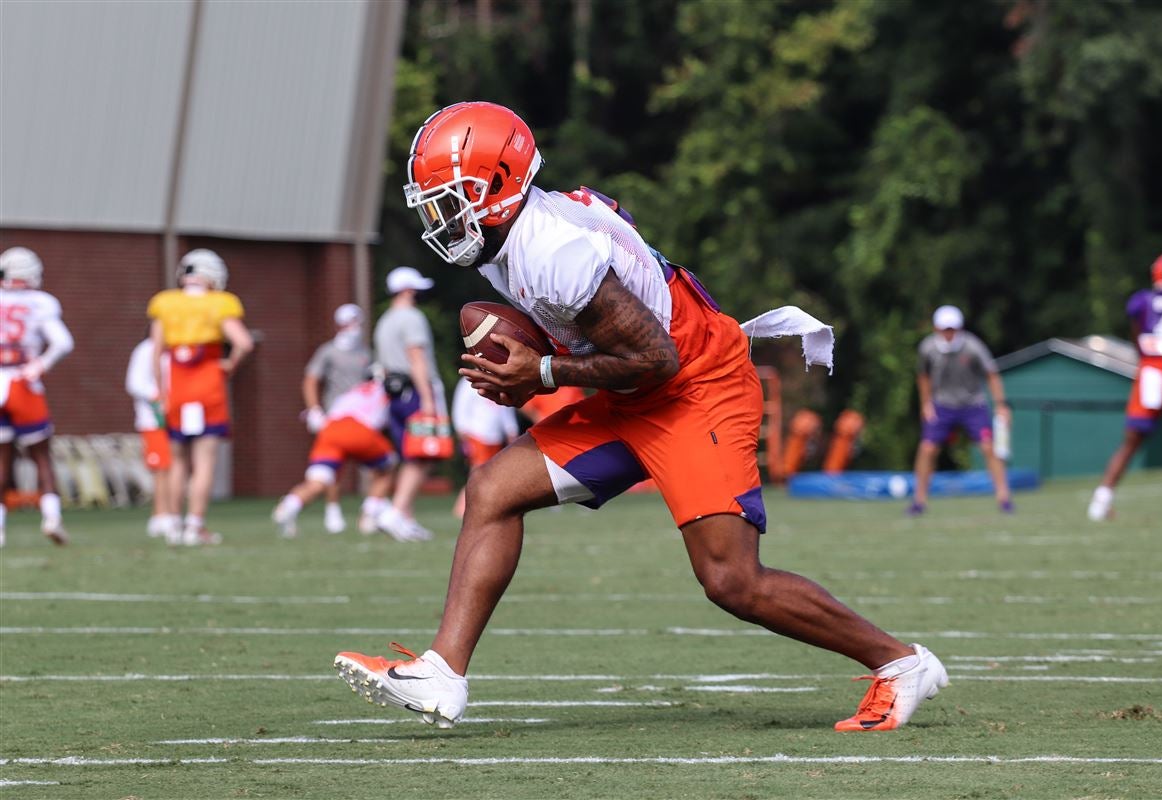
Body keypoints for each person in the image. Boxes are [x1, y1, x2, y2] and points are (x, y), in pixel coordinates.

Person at [334, 101, 947, 733]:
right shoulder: (510, 234)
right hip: (635, 390)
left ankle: (900, 664)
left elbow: (657, 357)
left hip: (694, 385)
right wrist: (550, 357)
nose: (440, 217)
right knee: (492, 489)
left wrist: (541, 372)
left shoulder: (550, 248)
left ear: (497, 186)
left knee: (730, 579)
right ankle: (444, 672)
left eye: (450, 198)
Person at [147, 248, 254, 546]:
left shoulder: (165, 303)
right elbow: (244, 342)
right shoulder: (220, 303)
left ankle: (173, 525)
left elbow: (156, 353)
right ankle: (195, 526)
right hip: (208, 387)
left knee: (177, 461)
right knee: (205, 461)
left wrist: (160, 389)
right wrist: (229, 365)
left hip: (177, 388)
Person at [1089, 251, 1162, 521]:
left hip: (1149, 369)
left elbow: (1137, 334)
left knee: (1130, 443)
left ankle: (1101, 500)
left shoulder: (1143, 300)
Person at [0, 246, 74, 547]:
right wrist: (39, 365)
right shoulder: (40, 302)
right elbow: (63, 342)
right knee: (41, 456)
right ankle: (52, 518)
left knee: (1, 461)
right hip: (23, 384)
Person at [908, 305, 1012, 516]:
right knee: (927, 448)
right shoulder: (928, 348)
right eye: (944, 329)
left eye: (952, 329)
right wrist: (926, 404)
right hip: (942, 405)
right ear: (937, 328)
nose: (948, 334)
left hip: (972, 405)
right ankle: (919, 500)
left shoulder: (972, 346)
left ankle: (1004, 498)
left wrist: (1001, 404)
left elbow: (991, 374)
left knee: (987, 447)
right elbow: (923, 376)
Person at [372, 266, 449, 542]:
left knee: (409, 455)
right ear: (407, 289)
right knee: (422, 455)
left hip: (394, 393)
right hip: (414, 392)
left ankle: (405, 517)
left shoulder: (385, 320)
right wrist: (427, 398)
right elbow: (416, 357)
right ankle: (396, 512)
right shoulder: (411, 318)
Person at [272, 378, 398, 538]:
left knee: (317, 482)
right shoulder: (386, 391)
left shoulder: (353, 391)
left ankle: (289, 505)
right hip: (360, 430)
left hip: (330, 431)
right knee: (387, 467)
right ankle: (369, 515)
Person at [302, 303, 373, 534]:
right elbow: (311, 379)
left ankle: (370, 512)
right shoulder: (328, 351)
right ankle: (333, 511)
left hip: (362, 417)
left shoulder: (365, 353)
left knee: (375, 462)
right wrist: (314, 410)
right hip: (335, 415)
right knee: (333, 467)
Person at [450, 375, 519, 518]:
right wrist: (462, 432)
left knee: (489, 472)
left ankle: (482, 506)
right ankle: (462, 507)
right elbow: (460, 408)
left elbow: (505, 408)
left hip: (494, 436)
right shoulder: (468, 381)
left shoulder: (498, 379)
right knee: (477, 471)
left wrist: (511, 430)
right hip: (476, 434)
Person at [125, 336, 173, 537]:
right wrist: (158, 396)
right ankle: (160, 516)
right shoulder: (145, 349)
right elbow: (134, 382)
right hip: (154, 419)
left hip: (178, 417)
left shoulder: (178, 347)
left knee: (176, 466)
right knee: (162, 468)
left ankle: (171, 513)